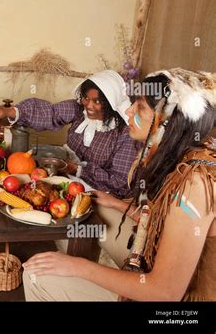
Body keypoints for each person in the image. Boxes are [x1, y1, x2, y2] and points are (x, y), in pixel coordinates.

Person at [22, 68, 215, 301]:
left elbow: (164, 293)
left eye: (140, 107)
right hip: (152, 254)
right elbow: (159, 220)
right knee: (95, 205)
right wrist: (116, 203)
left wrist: (78, 266)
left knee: (35, 275)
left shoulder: (194, 183)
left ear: (167, 123)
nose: (128, 109)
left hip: (180, 302)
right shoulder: (176, 156)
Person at [0, 70, 139, 198]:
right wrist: (7, 111)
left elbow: (120, 182)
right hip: (64, 173)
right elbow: (48, 113)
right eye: (86, 98)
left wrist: (77, 169)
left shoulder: (126, 134)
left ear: (111, 104)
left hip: (94, 189)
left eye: (97, 101)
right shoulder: (79, 110)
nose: (89, 105)